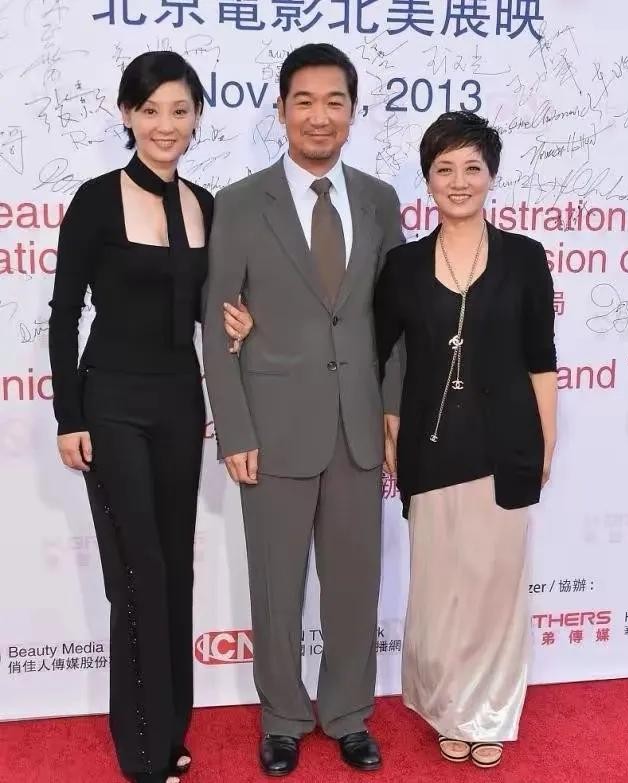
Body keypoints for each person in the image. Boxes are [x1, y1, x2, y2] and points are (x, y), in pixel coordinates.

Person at [48, 51, 253, 783]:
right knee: (136, 571)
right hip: (110, 403)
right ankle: (141, 750)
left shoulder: (206, 203)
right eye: (151, 109)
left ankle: (170, 725)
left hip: (178, 401)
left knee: (172, 567)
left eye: (180, 110)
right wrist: (69, 415)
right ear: (127, 115)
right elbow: (64, 314)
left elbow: (206, 306)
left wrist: (235, 323)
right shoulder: (95, 200)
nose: (166, 125)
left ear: (196, 118)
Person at [202, 43, 404, 777]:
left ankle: (348, 712)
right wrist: (234, 427)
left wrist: (393, 412)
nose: (320, 116)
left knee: (355, 584)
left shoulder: (379, 200)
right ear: (282, 109)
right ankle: (283, 717)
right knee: (276, 585)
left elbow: (395, 319)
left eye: (335, 102)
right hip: (272, 427)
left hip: (359, 426)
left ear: (353, 111)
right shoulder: (238, 202)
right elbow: (217, 321)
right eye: (305, 101)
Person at [374, 111, 557, 770]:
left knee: (496, 587)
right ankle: (450, 707)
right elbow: (373, 352)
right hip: (430, 448)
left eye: (472, 168)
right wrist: (387, 419)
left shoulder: (525, 258)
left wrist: (547, 440)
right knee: (440, 588)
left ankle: (491, 714)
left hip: (507, 445)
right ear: (428, 179)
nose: (459, 181)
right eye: (444, 168)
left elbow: (541, 358)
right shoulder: (402, 266)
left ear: (491, 176)